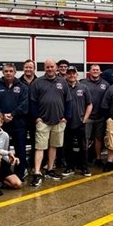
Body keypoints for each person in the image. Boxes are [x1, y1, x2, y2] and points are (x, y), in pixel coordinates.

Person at [29, 59, 72, 187]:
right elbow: (32, 102)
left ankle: (50, 169)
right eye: (47, 67)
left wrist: (66, 117)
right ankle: (37, 172)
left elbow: (68, 100)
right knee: (40, 147)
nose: (49, 69)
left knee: (54, 146)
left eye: (52, 66)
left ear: (56, 68)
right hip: (43, 121)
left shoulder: (63, 82)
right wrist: (36, 118)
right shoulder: (37, 83)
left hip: (59, 121)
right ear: (44, 68)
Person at [0, 63, 29, 181]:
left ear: (15, 72)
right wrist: (2, 116)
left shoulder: (23, 87)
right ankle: (4, 173)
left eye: (11, 71)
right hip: (2, 125)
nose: (8, 73)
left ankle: (20, 173)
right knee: (3, 150)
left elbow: (24, 104)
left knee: (20, 150)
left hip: (19, 124)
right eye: (6, 71)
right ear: (3, 72)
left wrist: (12, 114)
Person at [63, 66, 93, 177]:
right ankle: (70, 167)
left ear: (77, 75)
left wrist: (85, 118)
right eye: (69, 73)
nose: (71, 75)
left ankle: (84, 168)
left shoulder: (83, 88)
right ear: (66, 75)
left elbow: (89, 104)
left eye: (73, 73)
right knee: (68, 146)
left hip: (80, 122)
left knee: (83, 146)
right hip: (67, 123)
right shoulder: (63, 88)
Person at [80, 64, 110, 166]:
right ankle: (84, 159)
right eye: (93, 69)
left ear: (100, 71)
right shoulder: (83, 83)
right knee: (86, 139)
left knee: (98, 138)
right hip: (87, 117)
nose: (95, 71)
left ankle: (98, 158)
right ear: (90, 71)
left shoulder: (105, 84)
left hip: (100, 117)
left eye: (97, 69)